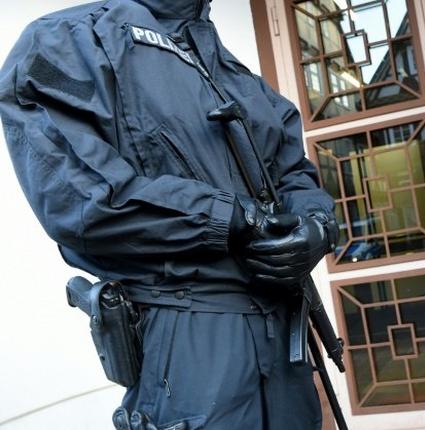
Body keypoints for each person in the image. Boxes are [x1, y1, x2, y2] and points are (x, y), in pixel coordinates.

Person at [0, 0, 338, 429]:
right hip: (190, 337)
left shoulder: (234, 73)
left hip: (285, 338)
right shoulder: (68, 41)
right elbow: (80, 199)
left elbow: (293, 173)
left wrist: (316, 225)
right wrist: (230, 217)